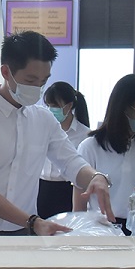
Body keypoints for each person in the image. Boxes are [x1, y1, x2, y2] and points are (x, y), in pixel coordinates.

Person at [0, 31, 113, 237]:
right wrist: (33, 222)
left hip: (21, 232)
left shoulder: (43, 119)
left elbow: (71, 162)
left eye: (43, 81)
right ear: (6, 72)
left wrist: (96, 177)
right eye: (31, 80)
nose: (38, 88)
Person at [73, 75, 135, 235]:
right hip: (101, 230)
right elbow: (80, 201)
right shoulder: (90, 146)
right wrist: (78, 233)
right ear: (126, 107)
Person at [38, 81, 91, 218]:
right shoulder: (41, 129)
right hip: (42, 188)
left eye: (55, 106)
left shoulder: (85, 135)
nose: (51, 109)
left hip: (67, 191)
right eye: (48, 105)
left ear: (69, 106)